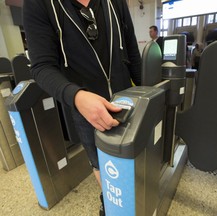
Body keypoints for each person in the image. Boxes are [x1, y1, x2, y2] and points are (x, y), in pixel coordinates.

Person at [23, 0, 141, 215]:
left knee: (132, 157)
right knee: (99, 162)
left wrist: (146, 93)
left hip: (127, 102)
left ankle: (132, 201)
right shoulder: (39, 4)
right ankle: (111, 203)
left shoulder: (116, 3)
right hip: (85, 107)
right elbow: (41, 67)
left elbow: (132, 51)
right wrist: (76, 96)